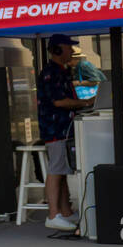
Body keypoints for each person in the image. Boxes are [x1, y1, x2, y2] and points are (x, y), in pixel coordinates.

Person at [36, 33, 95, 232]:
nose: (72, 50)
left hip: (63, 127)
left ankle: (65, 212)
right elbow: (58, 101)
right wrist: (85, 103)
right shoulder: (50, 72)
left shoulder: (62, 71)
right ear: (58, 49)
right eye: (68, 47)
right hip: (55, 128)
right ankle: (53, 215)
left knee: (62, 171)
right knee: (56, 170)